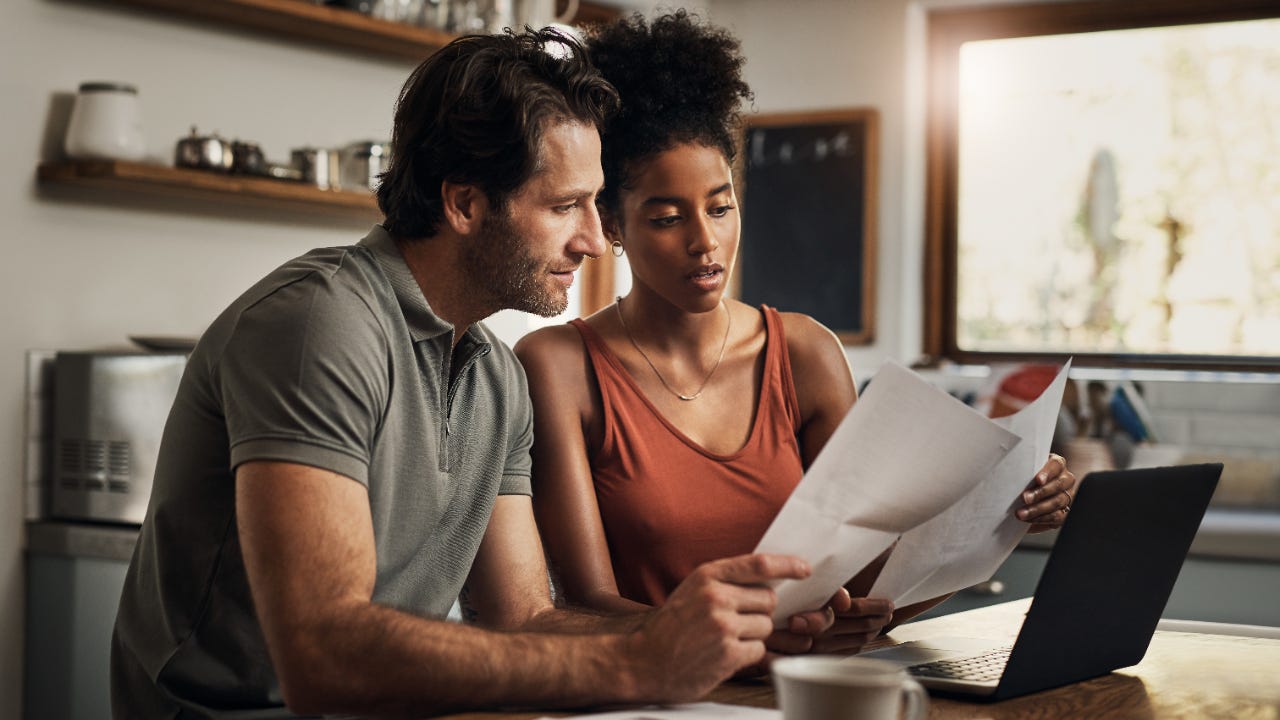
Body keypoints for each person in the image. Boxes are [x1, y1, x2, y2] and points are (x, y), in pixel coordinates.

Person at [110, 28, 836, 720]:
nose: (592, 239)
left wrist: (693, 634)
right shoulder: (320, 325)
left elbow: (524, 617)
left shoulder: (495, 377)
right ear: (464, 203)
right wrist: (635, 665)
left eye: (594, 204)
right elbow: (321, 654)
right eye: (564, 207)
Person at [515, 10, 1078, 660]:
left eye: (721, 207)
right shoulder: (558, 366)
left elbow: (870, 585)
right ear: (610, 224)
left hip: (803, 694)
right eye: (667, 217)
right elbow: (587, 606)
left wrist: (1007, 514)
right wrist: (756, 642)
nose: (706, 242)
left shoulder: (805, 354)